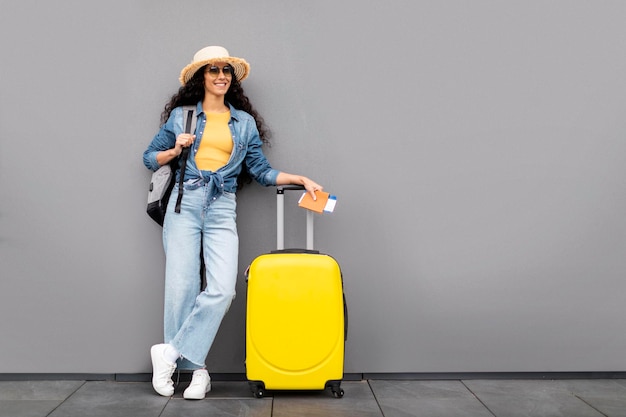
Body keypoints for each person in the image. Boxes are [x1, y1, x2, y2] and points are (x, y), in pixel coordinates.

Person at [142, 45, 322, 399]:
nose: (221, 75)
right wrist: (176, 150)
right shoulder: (182, 116)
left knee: (222, 289)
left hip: (222, 206)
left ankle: (169, 353)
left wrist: (299, 179)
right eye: (214, 70)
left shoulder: (244, 122)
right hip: (184, 204)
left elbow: (259, 169)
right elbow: (150, 158)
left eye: (227, 70)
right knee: (182, 290)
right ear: (201, 77)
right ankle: (197, 375)